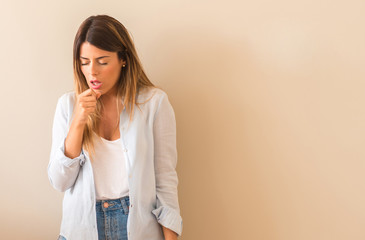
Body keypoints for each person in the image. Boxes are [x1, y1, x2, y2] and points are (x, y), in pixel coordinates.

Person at [47, 15, 183, 240]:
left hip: (137, 228)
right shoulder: (68, 105)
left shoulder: (154, 104)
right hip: (81, 230)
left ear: (123, 59)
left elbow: (165, 180)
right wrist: (78, 121)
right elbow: (60, 181)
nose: (93, 72)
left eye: (102, 61)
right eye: (84, 62)